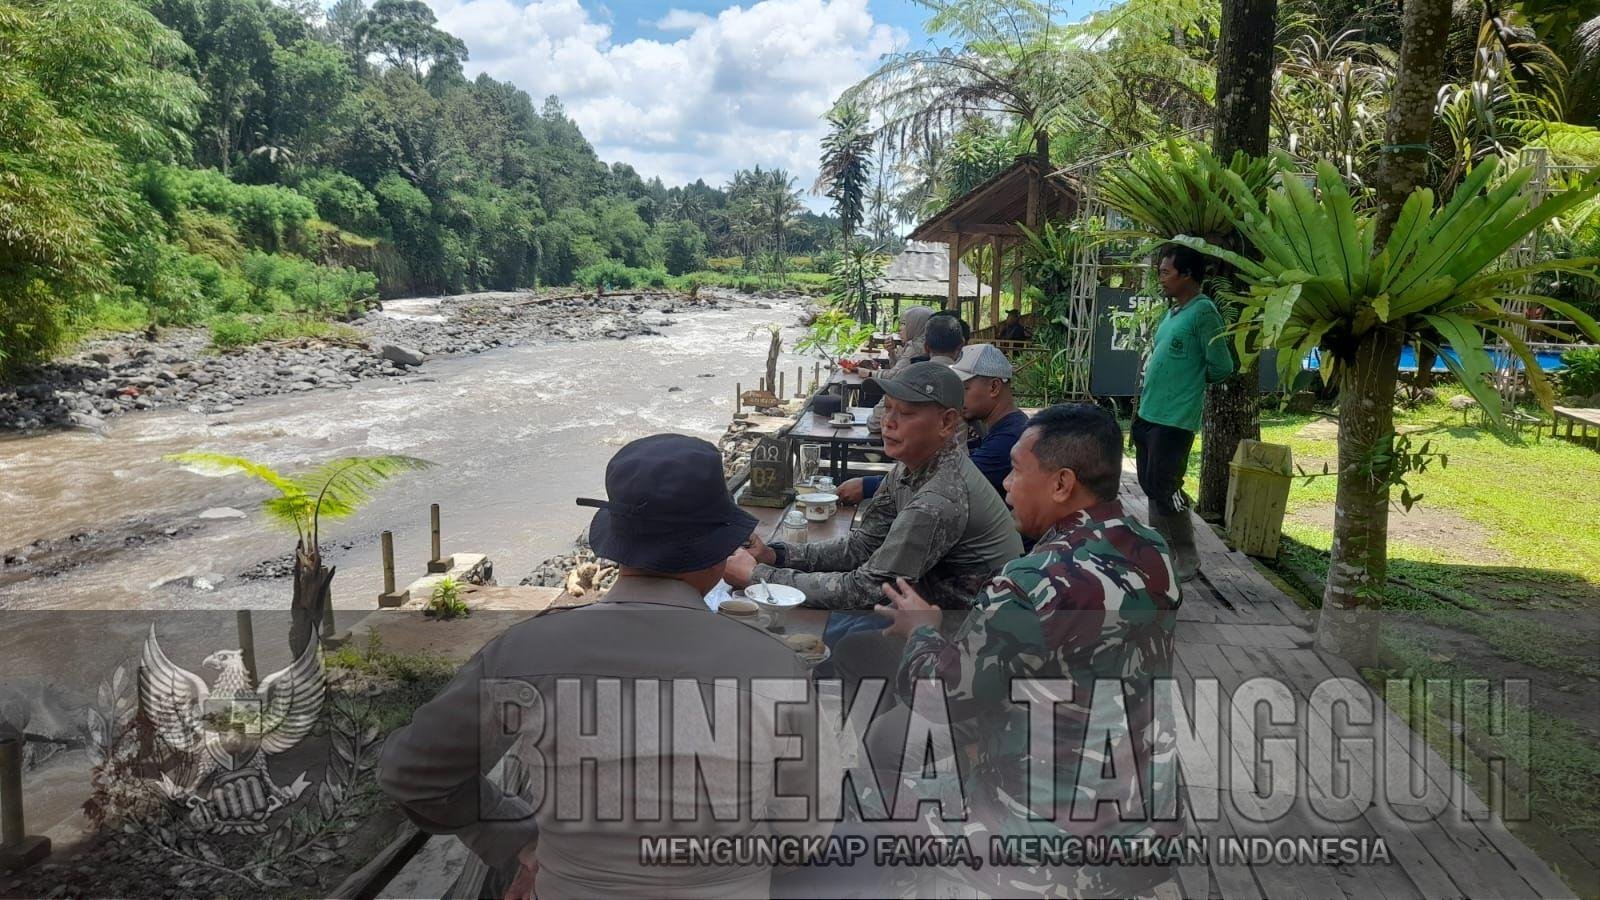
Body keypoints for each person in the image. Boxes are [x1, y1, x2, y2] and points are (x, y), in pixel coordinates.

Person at [379, 434, 827, 900]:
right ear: (719, 550)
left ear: (617, 543)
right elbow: (804, 829)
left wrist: (522, 840)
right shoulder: (773, 664)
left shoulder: (524, 653)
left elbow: (410, 772)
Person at [873, 404, 1182, 898]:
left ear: (1062, 484)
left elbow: (941, 695)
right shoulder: (1151, 548)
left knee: (874, 786)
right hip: (1146, 820)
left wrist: (921, 630)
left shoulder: (1034, 581)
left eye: (1017, 470)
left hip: (1044, 841)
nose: (1006, 485)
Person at [724, 362, 1022, 612]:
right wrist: (776, 556)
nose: (888, 423)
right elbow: (861, 546)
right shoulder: (912, 467)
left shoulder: (939, 498)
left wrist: (758, 577)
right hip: (929, 609)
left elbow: (866, 589)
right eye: (888, 409)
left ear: (946, 422)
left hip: (969, 634)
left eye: (905, 414)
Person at [1133, 242, 1234, 580]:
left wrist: (1189, 380)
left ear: (1187, 275)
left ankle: (1186, 554)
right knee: (1150, 485)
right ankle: (1159, 553)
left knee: (1168, 488)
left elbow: (1222, 366)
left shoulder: (1204, 313)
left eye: (1165, 273)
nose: (1160, 279)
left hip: (1175, 419)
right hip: (1149, 413)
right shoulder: (1173, 312)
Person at [841, 343, 1025, 503]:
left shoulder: (1009, 439)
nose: (958, 399)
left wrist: (866, 486)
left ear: (993, 387)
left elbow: (946, 481)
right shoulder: (998, 428)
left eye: (964, 389)